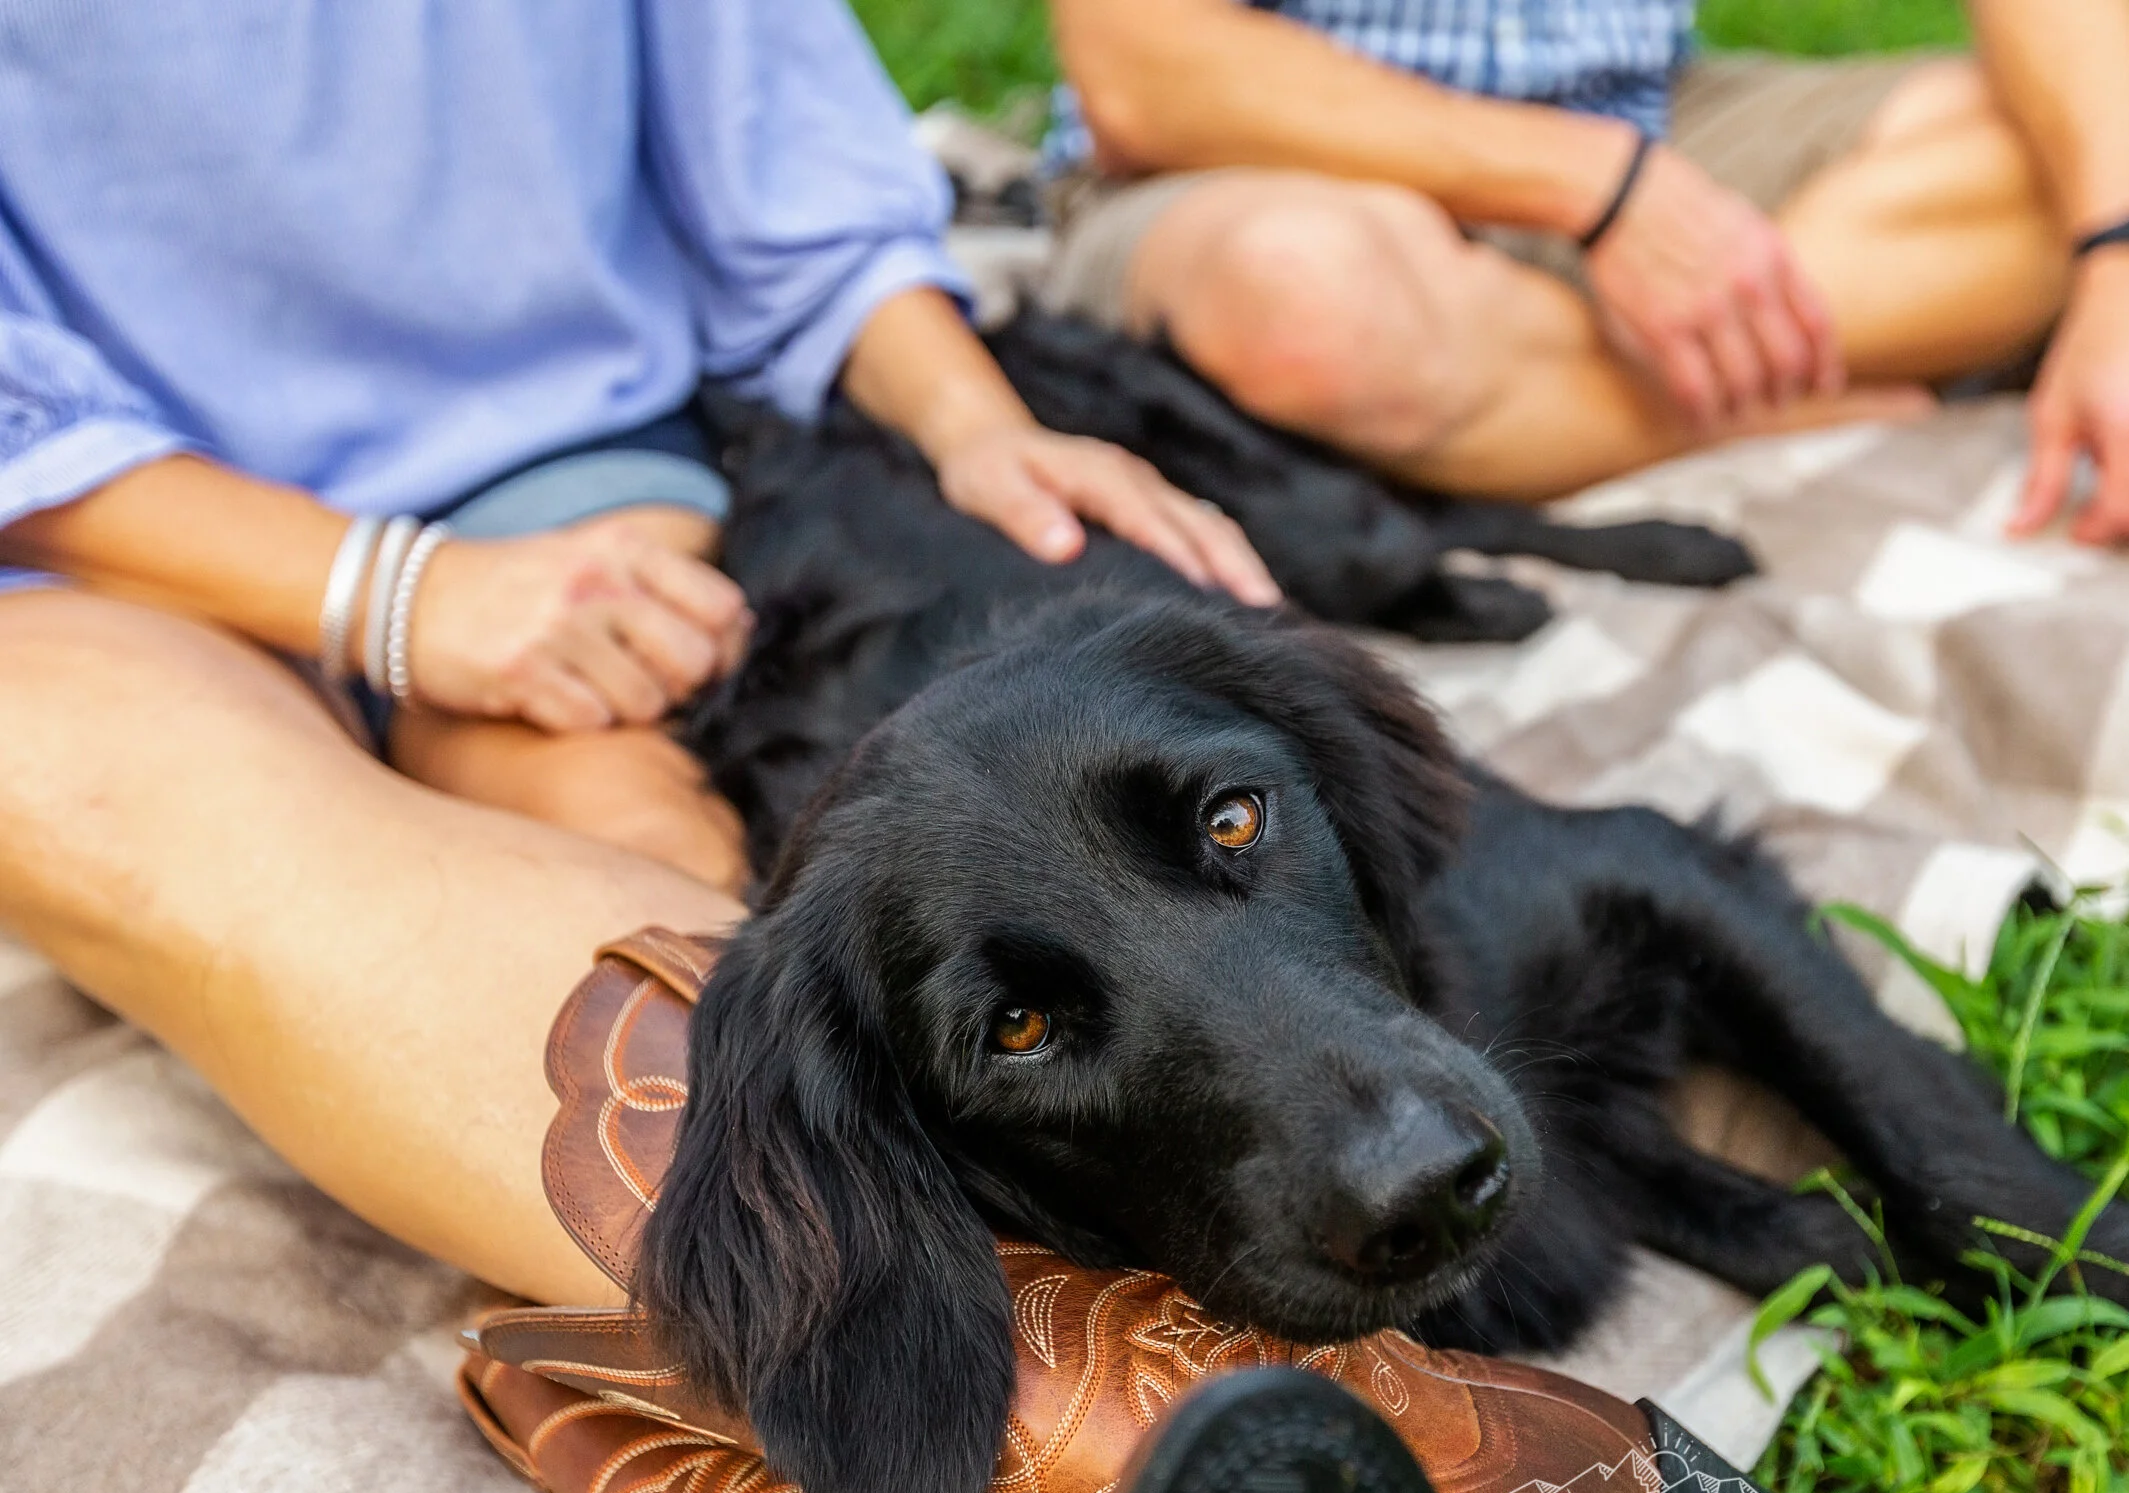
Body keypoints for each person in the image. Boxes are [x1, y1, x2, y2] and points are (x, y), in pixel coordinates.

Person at [0, 2, 1277, 1307]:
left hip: (554, 467)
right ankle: (983, 1399)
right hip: (97, 544)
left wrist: (972, 423)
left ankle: (1081, 1378)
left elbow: (784, 177)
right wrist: (390, 592)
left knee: (638, 858)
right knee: (141, 807)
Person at [1039, 0, 2129, 546]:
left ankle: (1542, 413)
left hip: (1661, 126)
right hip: (1270, 157)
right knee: (1298, 297)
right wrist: (1587, 187)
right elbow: (1143, 71)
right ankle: (1775, 394)